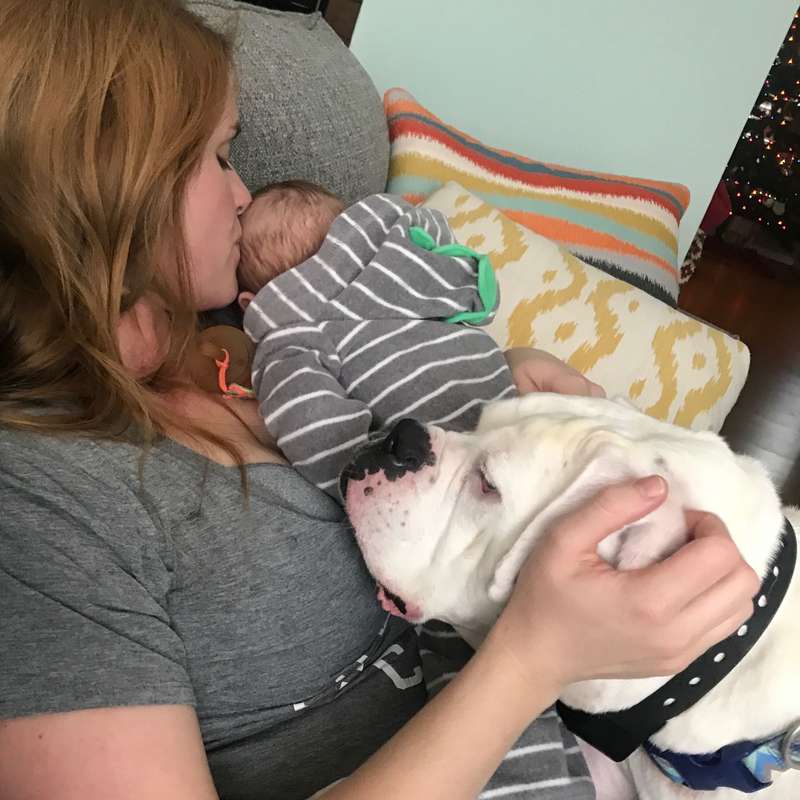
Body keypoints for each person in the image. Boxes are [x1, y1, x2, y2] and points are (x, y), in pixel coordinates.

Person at [0, 2, 760, 800]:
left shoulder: (245, 328)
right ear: (114, 183)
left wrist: (510, 381)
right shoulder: (42, 503)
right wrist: (536, 658)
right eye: (219, 157)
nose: (243, 192)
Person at [235, 178, 604, 498]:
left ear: (250, 302)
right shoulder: (406, 266)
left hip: (447, 475)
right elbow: (471, 287)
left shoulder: (293, 333)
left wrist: (370, 481)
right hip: (514, 412)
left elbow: (315, 427)